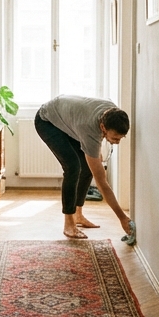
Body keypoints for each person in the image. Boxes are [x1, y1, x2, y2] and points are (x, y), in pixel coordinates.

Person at [34, 94, 133, 240]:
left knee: (87, 168)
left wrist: (96, 153)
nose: (117, 142)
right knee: (72, 167)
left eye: (120, 138)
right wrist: (122, 217)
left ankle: (78, 215)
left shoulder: (114, 113)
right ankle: (68, 224)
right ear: (103, 127)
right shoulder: (89, 129)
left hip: (70, 117)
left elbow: (95, 147)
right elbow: (102, 183)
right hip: (47, 120)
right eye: (114, 138)